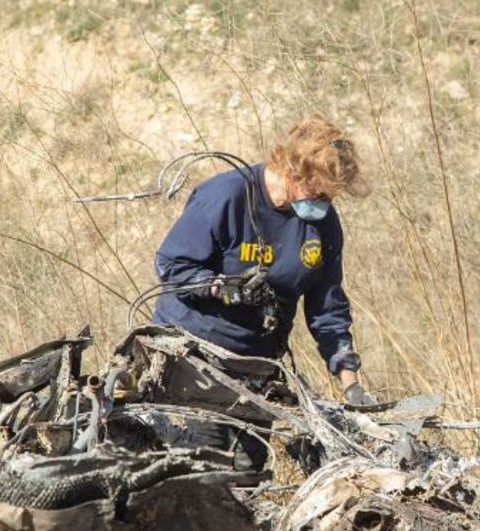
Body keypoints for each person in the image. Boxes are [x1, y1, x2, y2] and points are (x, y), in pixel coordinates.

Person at [152, 115, 377, 406]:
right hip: (193, 356)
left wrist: (351, 386)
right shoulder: (226, 196)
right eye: (316, 192)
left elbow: (327, 306)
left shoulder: (322, 223)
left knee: (248, 453)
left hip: (258, 367)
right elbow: (171, 265)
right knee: (203, 450)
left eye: (329, 197)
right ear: (293, 171)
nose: (322, 203)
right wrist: (222, 288)